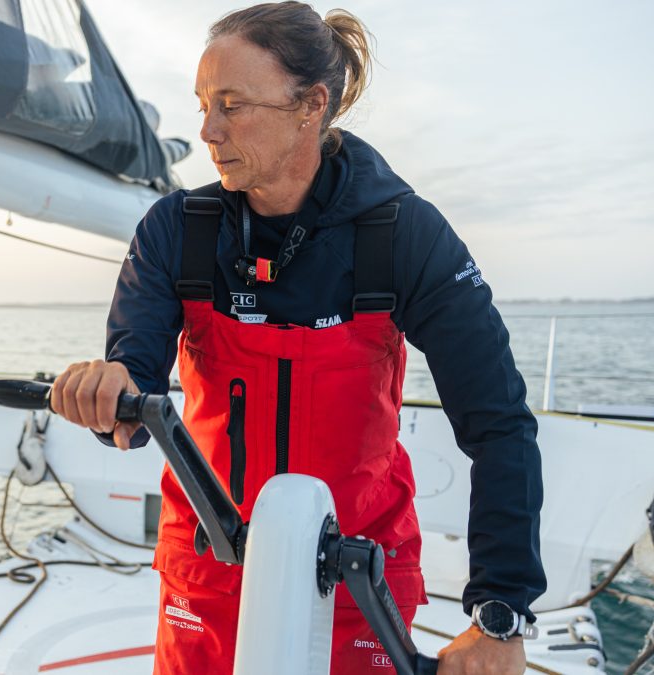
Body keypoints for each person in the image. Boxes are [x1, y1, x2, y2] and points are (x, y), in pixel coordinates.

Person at [50, 3, 545, 673]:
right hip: (207, 576)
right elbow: (132, 395)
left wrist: (500, 613)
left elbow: (499, 423)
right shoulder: (176, 232)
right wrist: (109, 390)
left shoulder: (402, 235)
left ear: (310, 105)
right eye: (202, 105)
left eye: (232, 105)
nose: (207, 130)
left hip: (356, 579)